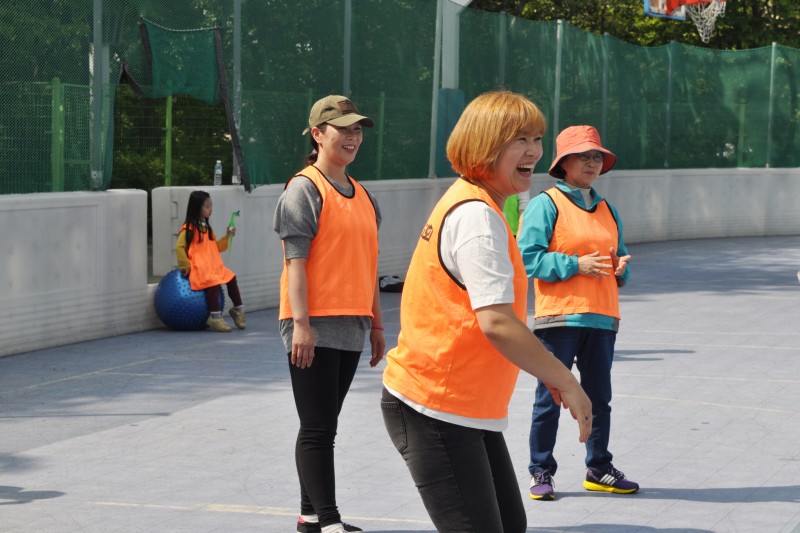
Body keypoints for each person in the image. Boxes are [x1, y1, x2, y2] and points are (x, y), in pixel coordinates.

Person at [381, 91, 592, 533]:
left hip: (461, 408)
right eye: (519, 139)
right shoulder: (476, 217)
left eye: (536, 138)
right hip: (435, 409)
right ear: (484, 144)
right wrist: (565, 379)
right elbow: (496, 322)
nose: (534, 150)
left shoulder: (475, 203)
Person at [273, 95, 386, 533]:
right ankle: (330, 521)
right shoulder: (304, 188)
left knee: (324, 425)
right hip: (312, 323)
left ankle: (309, 517)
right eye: (344, 129)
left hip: (353, 323)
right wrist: (301, 324)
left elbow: (370, 266)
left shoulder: (363, 196)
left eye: (358, 129)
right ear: (318, 134)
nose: (353, 137)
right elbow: (294, 262)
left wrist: (377, 324)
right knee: (318, 427)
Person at [517, 125, 637, 501]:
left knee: (600, 398)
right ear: (563, 163)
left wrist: (621, 269)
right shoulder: (546, 204)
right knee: (550, 397)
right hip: (559, 319)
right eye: (584, 156)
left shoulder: (607, 208)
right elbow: (527, 258)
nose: (592, 162)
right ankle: (541, 470)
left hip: (602, 318)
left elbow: (622, 261)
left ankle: (598, 467)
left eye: (597, 156)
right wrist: (574, 265)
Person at [175, 190, 246, 333]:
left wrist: (227, 236)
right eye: (207, 206)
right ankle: (215, 316)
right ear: (197, 208)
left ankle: (238, 310)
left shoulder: (207, 228)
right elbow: (179, 246)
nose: (210, 209)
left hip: (213, 266)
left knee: (231, 278)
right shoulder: (189, 228)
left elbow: (216, 247)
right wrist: (185, 265)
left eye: (211, 206)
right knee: (212, 282)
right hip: (200, 268)